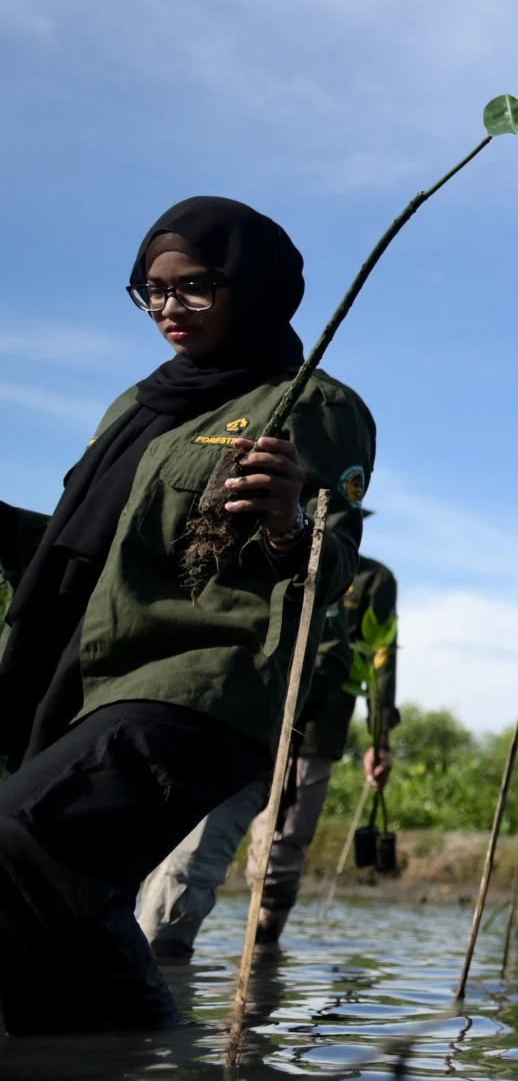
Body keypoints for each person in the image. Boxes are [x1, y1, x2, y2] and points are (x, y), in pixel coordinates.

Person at [0, 197, 373, 1033]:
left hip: (199, 685)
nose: (170, 309)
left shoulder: (311, 403)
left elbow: (332, 558)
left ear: (254, 288)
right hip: (90, 676)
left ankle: (158, 1055)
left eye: (196, 287)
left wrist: (291, 522)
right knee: (46, 909)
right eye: (152, 291)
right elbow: (84, 549)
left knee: (19, 844)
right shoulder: (137, 407)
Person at [136, 553, 399, 957]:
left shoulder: (371, 578)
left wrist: (379, 737)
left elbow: (379, 659)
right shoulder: (248, 546)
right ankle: (165, 958)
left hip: (311, 731)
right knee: (193, 842)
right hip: (232, 714)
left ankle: (260, 958)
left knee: (280, 849)